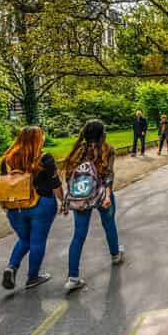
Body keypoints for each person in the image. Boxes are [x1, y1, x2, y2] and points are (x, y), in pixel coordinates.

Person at [63, 120, 123, 292]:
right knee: (109, 224)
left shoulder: (77, 151)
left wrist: (71, 198)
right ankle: (115, 254)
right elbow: (109, 174)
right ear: (102, 134)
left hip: (81, 196)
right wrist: (107, 194)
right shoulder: (107, 149)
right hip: (102, 193)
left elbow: (69, 177)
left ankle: (73, 276)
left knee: (79, 234)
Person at [0, 126, 63, 290]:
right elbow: (55, 184)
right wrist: (63, 201)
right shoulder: (44, 158)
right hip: (41, 204)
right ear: (38, 139)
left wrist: (5, 206)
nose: (43, 139)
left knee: (24, 239)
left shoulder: (7, 160)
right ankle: (32, 277)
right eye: (41, 136)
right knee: (37, 241)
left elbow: (4, 184)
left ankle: (11, 267)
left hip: (15, 207)